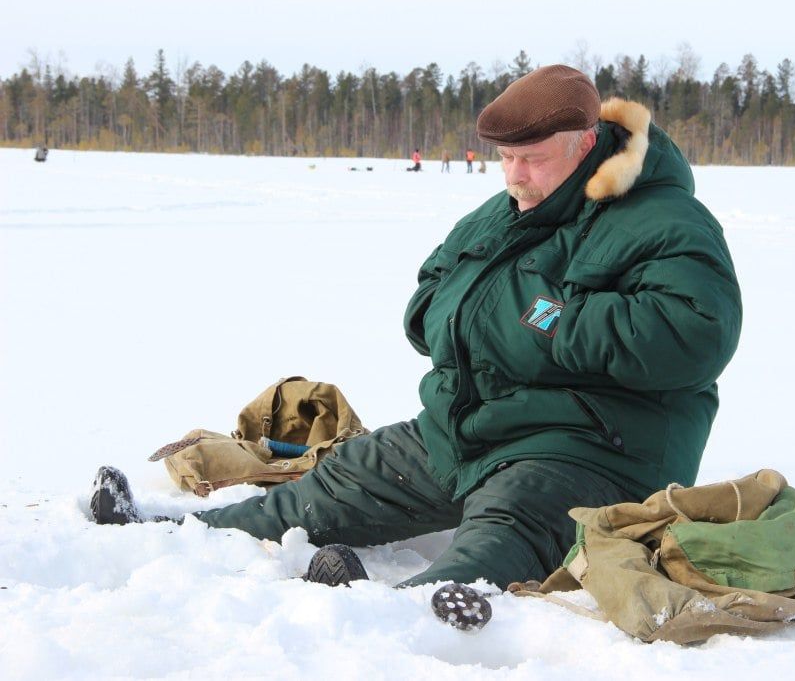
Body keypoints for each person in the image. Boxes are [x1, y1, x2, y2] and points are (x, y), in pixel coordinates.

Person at [90, 65, 742, 591]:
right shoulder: (505, 210)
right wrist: (484, 318)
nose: (516, 175)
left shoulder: (663, 218)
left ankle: (413, 608)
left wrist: (542, 318)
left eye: (534, 158)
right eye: (507, 158)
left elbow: (694, 337)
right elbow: (429, 299)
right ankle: (180, 529)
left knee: (506, 532)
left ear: (585, 144)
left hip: (588, 449)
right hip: (468, 428)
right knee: (341, 479)